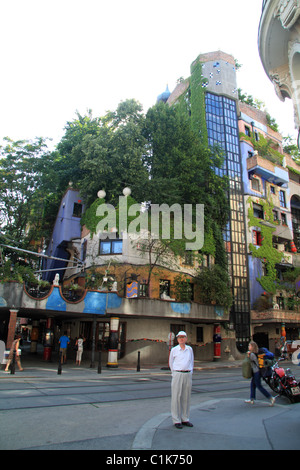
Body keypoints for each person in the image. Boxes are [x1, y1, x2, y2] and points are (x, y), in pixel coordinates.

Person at [169, 331, 194, 429]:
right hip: (178, 373)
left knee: (186, 397)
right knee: (176, 397)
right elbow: (171, 362)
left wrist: (190, 371)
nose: (181, 339)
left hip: (187, 374)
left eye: (183, 337)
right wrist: (174, 373)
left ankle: (185, 418)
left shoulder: (189, 349)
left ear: (186, 338)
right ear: (177, 339)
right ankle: (176, 420)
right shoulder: (174, 350)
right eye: (179, 337)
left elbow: (191, 361)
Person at [245, 340, 275, 406]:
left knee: (259, 386)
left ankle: (271, 398)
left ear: (252, 346)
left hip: (256, 372)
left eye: (249, 345)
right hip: (257, 372)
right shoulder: (256, 353)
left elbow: (247, 362)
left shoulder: (252, 354)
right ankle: (252, 399)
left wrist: (248, 355)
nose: (248, 347)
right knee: (252, 385)